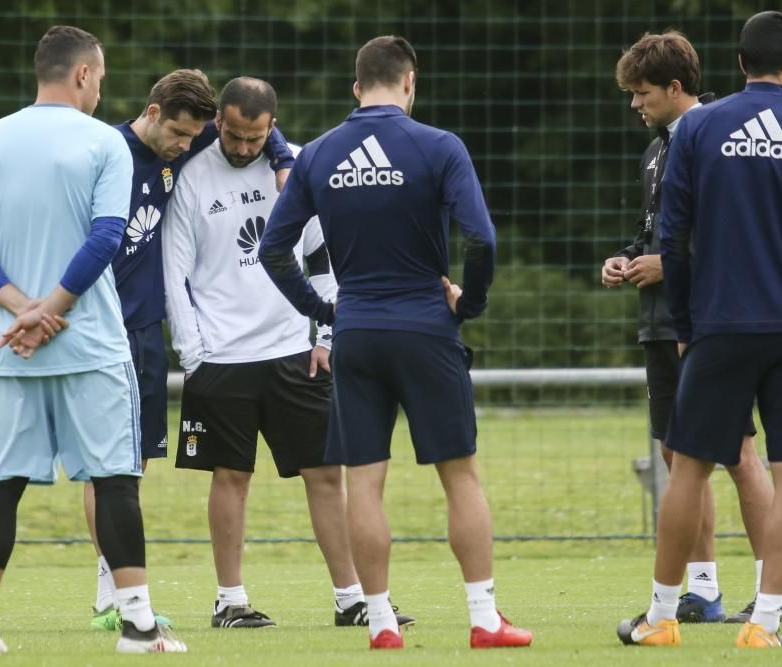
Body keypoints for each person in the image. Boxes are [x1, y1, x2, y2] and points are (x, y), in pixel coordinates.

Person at [258, 36, 532, 650]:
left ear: (357, 88)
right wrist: (472, 304)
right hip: (427, 327)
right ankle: (484, 619)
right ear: (410, 83)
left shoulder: (320, 154)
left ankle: (381, 624)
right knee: (459, 475)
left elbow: (272, 249)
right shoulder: (439, 146)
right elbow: (481, 240)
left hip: (356, 331)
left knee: (364, 480)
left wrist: (323, 309)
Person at [0, 25, 185, 653]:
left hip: (10, 347)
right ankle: (137, 625)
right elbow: (107, 236)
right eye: (100, 81)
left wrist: (22, 310)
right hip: (93, 347)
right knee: (115, 480)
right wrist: (50, 310)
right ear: (82, 74)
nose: (102, 93)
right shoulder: (102, 142)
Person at [617, 11, 782, 648]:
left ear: (740, 64)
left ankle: (663, 619)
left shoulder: (700, 128)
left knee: (688, 468)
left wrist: (688, 322)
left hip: (717, 326)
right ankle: (764, 624)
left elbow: (674, 237)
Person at [163, 75, 414, 631]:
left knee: (326, 474)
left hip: (295, 351)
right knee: (230, 477)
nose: (243, 148)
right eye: (232, 135)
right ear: (217, 124)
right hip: (219, 357)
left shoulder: (297, 165)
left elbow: (323, 259)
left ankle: (352, 598)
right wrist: (193, 355)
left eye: (254, 139)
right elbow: (173, 272)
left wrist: (326, 337)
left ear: (271, 128)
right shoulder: (189, 173)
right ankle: (230, 600)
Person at [83, 68, 296, 632]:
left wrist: (282, 158)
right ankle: (111, 594)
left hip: (147, 329)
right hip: (101, 326)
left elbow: (258, 126)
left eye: (195, 135)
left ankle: (118, 589)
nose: (187, 146)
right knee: (108, 464)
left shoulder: (199, 135)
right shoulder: (105, 152)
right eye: (180, 134)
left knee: (137, 460)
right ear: (153, 113)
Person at [601, 31, 780, 624]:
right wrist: (627, 259)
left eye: (643, 93)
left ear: (676, 88)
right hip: (658, 323)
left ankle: (768, 591)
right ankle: (703, 590)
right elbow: (653, 232)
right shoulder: (655, 151)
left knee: (738, 454)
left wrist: (674, 265)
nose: (635, 105)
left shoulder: (725, 143)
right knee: (679, 458)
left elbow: (737, 238)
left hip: (708, 322)